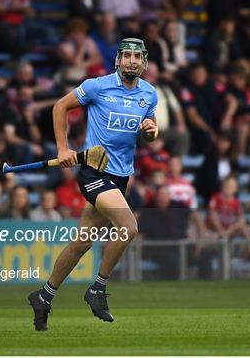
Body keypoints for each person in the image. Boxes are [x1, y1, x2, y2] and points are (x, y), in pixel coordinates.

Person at [27, 38, 158, 330]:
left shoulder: (149, 95)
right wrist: (63, 149)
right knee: (128, 228)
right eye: (127, 56)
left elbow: (148, 131)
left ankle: (44, 295)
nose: (132, 61)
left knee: (82, 241)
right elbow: (60, 107)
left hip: (121, 176)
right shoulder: (97, 86)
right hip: (94, 171)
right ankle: (97, 289)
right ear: (118, 61)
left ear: (144, 62)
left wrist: (151, 130)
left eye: (137, 56)